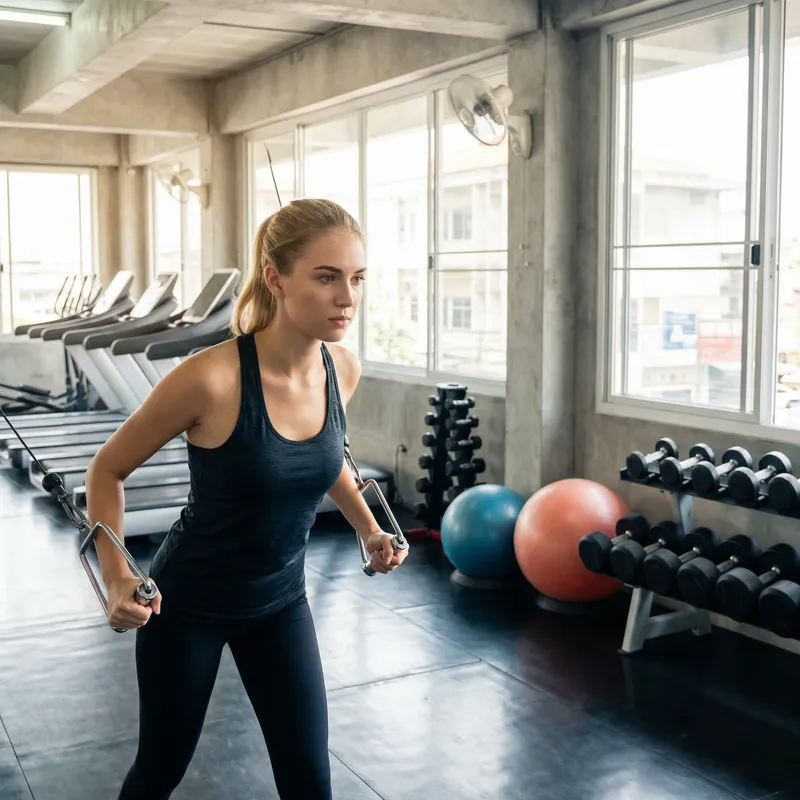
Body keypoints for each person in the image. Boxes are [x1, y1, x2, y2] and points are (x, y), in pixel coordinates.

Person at [85, 198, 409, 800]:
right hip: (188, 608)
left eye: (357, 278)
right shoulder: (211, 378)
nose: (348, 297)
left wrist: (367, 527)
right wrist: (116, 577)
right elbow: (108, 468)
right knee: (159, 771)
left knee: (310, 779)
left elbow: (324, 454)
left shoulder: (342, 368)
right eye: (326, 276)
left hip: (281, 600)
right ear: (275, 278)